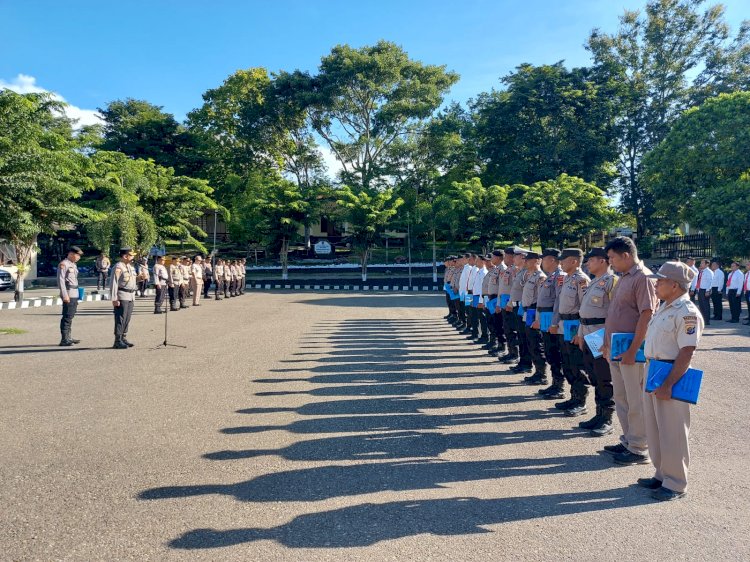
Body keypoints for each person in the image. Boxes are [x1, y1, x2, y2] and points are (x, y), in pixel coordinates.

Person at [641, 261, 703, 501]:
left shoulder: (686, 312)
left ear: (674, 285)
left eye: (661, 280)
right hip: (653, 370)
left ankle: (676, 483)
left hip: (671, 373)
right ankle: (661, 474)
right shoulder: (665, 307)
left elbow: (686, 352)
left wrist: (668, 384)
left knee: (673, 431)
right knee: (655, 427)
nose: (656, 284)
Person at [601, 236, 659, 466]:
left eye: (612, 258)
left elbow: (647, 314)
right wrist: (606, 343)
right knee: (622, 397)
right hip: (617, 348)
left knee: (636, 399)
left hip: (631, 351)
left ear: (626, 255)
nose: (611, 262)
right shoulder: (623, 277)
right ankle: (628, 440)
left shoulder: (643, 278)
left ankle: (639, 447)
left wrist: (633, 348)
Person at [576, 247, 617, 437]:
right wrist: (580, 334)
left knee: (605, 378)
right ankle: (598, 414)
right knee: (594, 375)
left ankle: (607, 418)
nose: (587, 264)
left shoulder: (612, 282)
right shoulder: (593, 282)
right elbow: (584, 313)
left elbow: (615, 315)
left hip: (600, 336)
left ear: (602, 261)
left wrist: (608, 340)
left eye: (591, 260)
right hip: (588, 334)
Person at [552, 248, 590, 416]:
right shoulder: (566, 279)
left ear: (574, 261)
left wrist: (579, 333)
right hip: (563, 324)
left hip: (574, 324)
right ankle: (573, 396)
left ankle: (581, 401)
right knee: (567, 362)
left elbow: (584, 308)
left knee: (577, 364)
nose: (561, 263)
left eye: (564, 260)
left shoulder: (581, 280)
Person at [535, 248, 566, 400]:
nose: (542, 262)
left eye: (544, 259)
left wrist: (554, 323)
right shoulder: (550, 277)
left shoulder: (559, 277)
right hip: (545, 318)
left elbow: (559, 301)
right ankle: (555, 383)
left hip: (552, 320)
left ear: (553, 260)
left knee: (555, 353)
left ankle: (559, 386)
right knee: (549, 352)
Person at [520, 251, 547, 385]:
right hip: (528, 312)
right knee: (530, 342)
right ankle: (537, 372)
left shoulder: (540, 277)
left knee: (536, 343)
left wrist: (538, 319)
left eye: (528, 260)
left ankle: (542, 374)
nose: (525, 262)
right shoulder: (531, 276)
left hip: (534, 312)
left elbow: (541, 300)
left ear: (537, 261)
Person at [507, 248, 532, 373]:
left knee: (524, 336)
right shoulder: (520, 272)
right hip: (518, 307)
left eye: (515, 257)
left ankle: (526, 363)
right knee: (521, 336)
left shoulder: (527, 273)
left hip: (524, 308)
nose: (513, 259)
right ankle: (523, 362)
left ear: (522, 257)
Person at [110, 247, 137, 349]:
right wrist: (114, 298)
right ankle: (117, 340)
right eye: (131, 255)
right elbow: (114, 283)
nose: (133, 257)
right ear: (125, 256)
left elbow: (131, 280)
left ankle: (123, 338)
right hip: (122, 295)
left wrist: (140, 278)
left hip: (130, 295)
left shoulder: (130, 267)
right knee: (120, 318)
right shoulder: (118, 267)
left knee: (127, 318)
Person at [57, 246, 84, 346]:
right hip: (68, 293)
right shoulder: (63, 264)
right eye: (78, 255)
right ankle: (64, 339)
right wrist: (65, 295)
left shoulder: (73, 265)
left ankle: (68, 337)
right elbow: (61, 281)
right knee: (67, 316)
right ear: (71, 254)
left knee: (71, 315)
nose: (79, 258)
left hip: (74, 292)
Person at [498, 247, 518, 363]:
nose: (504, 258)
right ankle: (511, 352)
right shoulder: (508, 269)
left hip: (510, 305)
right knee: (507, 329)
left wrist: (510, 303)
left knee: (512, 330)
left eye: (506, 256)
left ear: (511, 256)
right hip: (505, 303)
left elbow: (515, 290)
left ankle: (515, 353)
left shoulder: (515, 270)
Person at [694, 259, 713, 325]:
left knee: (705, 306)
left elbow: (710, 282)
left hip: (705, 290)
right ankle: (702, 319)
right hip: (700, 290)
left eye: (702, 263)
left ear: (707, 264)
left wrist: (708, 291)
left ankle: (706, 320)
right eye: (701, 263)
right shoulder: (701, 271)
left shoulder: (709, 272)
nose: (700, 264)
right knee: (701, 305)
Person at [744, 261, 750, 325]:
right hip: (747, 291)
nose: (746, 266)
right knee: (749, 306)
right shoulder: (746, 273)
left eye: (748, 265)